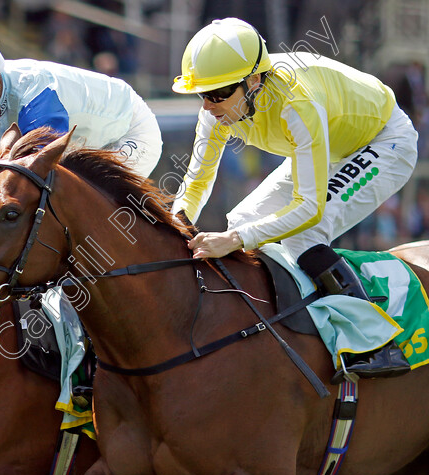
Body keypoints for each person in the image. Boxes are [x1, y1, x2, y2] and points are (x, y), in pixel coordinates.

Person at [170, 18, 418, 381]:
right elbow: (196, 182)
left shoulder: (296, 104)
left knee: (304, 233)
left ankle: (377, 342)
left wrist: (233, 242)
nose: (208, 106)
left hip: (383, 141)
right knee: (242, 218)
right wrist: (174, 224)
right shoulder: (218, 110)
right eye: (202, 95)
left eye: (219, 94)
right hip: (332, 144)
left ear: (253, 82)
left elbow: (309, 208)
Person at [0, 27, 163, 244]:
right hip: (80, 149)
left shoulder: (35, 94)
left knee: (76, 223)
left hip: (128, 132)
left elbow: (38, 182)